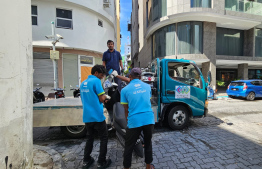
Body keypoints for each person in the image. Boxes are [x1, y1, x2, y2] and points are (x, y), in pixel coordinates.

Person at [118, 68, 155, 169]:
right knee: (148, 143)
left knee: (129, 146)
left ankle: (126, 167)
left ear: (129, 77)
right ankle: (148, 166)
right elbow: (147, 101)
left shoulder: (125, 90)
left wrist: (128, 122)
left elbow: (126, 109)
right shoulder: (147, 87)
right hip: (148, 119)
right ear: (140, 77)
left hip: (134, 120)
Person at [80, 65, 112, 169]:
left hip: (87, 116)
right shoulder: (96, 81)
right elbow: (102, 98)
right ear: (96, 73)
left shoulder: (83, 83)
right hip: (97, 116)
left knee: (90, 138)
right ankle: (101, 162)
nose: (102, 77)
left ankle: (86, 160)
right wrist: (106, 98)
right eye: (101, 75)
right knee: (104, 138)